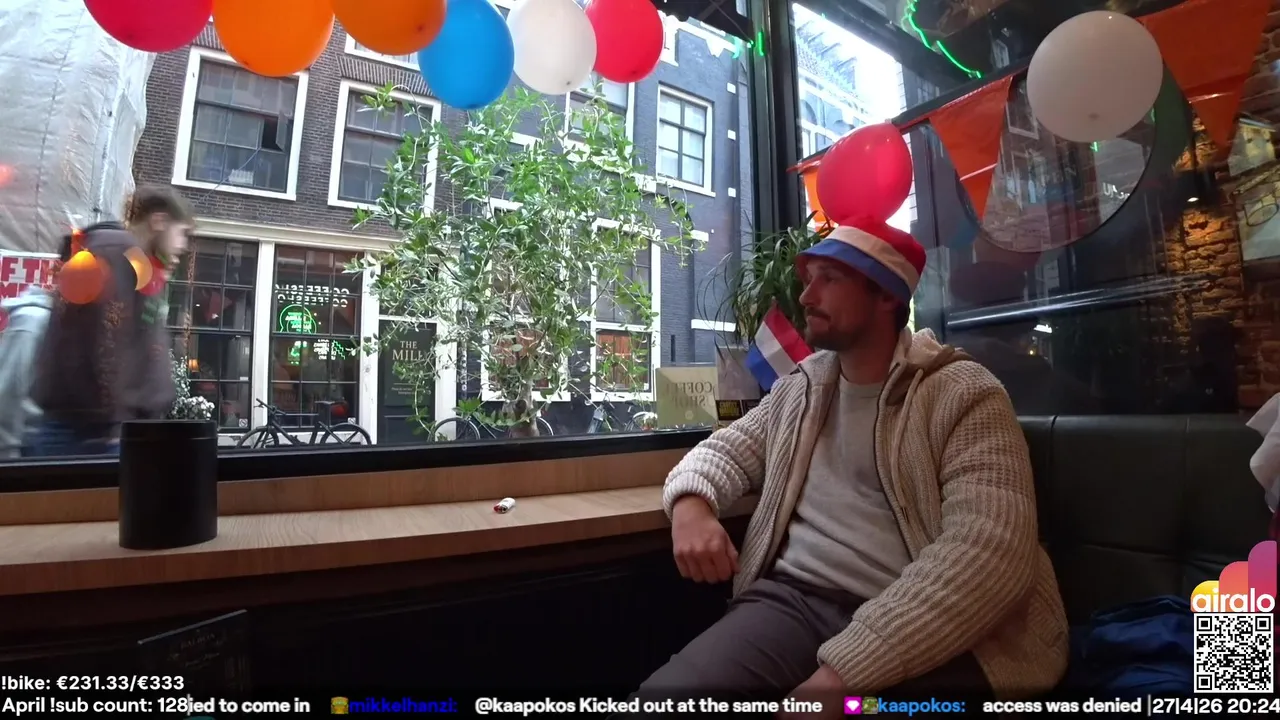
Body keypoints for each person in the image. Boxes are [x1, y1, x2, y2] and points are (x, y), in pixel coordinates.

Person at [633, 223, 1068, 713]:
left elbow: (989, 552)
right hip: (793, 604)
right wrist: (691, 505)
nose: (806, 295)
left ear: (886, 296)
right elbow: (725, 451)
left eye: (829, 279)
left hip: (929, 619)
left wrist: (839, 680)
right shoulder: (803, 387)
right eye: (808, 279)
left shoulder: (963, 393)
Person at [27, 187, 193, 456]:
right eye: (182, 232)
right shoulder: (115, 254)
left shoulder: (133, 260)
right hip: (94, 436)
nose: (184, 245)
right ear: (159, 221)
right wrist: (116, 423)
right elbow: (107, 340)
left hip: (106, 430)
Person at [0, 237, 67, 458]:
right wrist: (11, 464)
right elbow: (7, 396)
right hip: (28, 455)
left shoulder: (75, 325)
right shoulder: (33, 322)